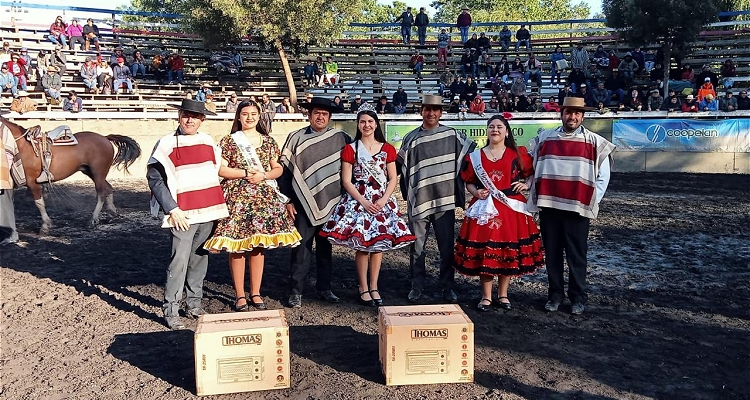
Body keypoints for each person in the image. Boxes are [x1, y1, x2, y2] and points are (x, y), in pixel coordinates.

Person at [204, 100, 301, 311]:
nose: (249, 117)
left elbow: (278, 169)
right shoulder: (229, 141)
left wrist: (264, 175)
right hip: (237, 198)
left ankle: (255, 292)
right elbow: (222, 170)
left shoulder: (268, 141)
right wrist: (247, 174)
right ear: (238, 116)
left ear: (259, 116)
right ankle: (239, 294)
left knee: (258, 246)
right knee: (237, 246)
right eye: (245, 113)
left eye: (253, 113)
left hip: (262, 199)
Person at [320, 104, 416, 306]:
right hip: (358, 200)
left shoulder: (387, 148)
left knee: (378, 244)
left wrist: (383, 200)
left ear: (376, 124)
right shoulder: (350, 149)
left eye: (370, 121)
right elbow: (346, 180)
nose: (366, 125)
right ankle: (362, 286)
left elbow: (392, 179)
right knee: (362, 245)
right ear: (358, 124)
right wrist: (363, 201)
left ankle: (374, 286)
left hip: (381, 201)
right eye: (363, 121)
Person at [527, 96, 615, 316]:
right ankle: (555, 295)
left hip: (577, 209)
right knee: (553, 255)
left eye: (577, 113)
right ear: (561, 114)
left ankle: (578, 298)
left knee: (577, 255)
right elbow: (531, 167)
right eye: (568, 112)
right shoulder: (544, 139)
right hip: (550, 207)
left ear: (582, 116)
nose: (572, 117)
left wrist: (590, 200)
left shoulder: (594, 142)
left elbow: (603, 176)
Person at [147, 99, 229, 330]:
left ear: (202, 119)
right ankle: (170, 310)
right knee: (179, 262)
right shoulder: (165, 143)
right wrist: (172, 208)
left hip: (207, 211)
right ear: (179, 116)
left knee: (200, 259)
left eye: (195, 116)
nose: (190, 120)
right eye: (186, 115)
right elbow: (155, 178)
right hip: (181, 213)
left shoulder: (208, 141)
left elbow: (213, 172)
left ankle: (193, 305)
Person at [454, 114, 544, 311]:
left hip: (511, 208)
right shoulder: (475, 157)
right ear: (487, 130)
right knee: (486, 251)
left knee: (506, 251)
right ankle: (486, 296)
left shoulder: (517, 154)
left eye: (499, 127)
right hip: (485, 208)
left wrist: (525, 185)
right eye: (491, 127)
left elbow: (530, 175)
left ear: (506, 131)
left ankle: (503, 295)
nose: (495, 130)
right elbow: (468, 181)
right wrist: (476, 191)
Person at [397, 95, 475, 304]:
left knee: (446, 247)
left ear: (441, 112)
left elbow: (472, 157)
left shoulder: (452, 135)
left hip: (444, 200)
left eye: (435, 109)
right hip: (419, 199)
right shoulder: (411, 138)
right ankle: (416, 285)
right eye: (427, 109)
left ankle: (447, 287)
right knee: (417, 246)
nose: (431, 113)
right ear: (421, 111)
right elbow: (399, 167)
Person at [278, 97, 352, 308]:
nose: (321, 117)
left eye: (325, 114)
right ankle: (295, 291)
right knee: (300, 248)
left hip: (332, 201)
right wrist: (288, 200)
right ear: (309, 115)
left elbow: (352, 168)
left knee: (325, 248)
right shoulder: (296, 138)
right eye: (317, 113)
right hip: (301, 202)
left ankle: (325, 288)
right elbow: (285, 172)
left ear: (329, 117)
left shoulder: (341, 137)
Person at [0, 113, 19, 245]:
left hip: (3, 176)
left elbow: (8, 154)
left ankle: (12, 235)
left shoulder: (4, 130)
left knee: (4, 206)